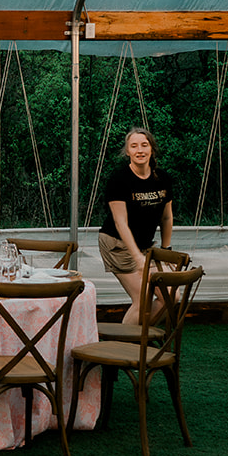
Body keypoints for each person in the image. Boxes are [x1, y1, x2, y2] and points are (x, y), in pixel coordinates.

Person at [97, 126, 174, 325]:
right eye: (134, 146)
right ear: (128, 151)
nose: (139, 150)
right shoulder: (119, 180)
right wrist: (137, 258)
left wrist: (166, 250)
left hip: (144, 246)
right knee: (143, 299)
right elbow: (120, 222)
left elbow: (166, 218)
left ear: (152, 149)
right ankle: (123, 348)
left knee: (172, 296)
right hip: (117, 244)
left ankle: (138, 338)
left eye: (144, 145)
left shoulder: (163, 179)